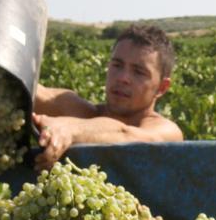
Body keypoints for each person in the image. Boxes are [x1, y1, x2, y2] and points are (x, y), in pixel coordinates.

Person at [33, 23, 183, 170]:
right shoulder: (82, 113)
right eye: (117, 65)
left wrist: (71, 129)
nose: (123, 78)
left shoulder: (167, 132)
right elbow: (37, 93)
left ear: (161, 88)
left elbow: (126, 135)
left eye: (138, 72)